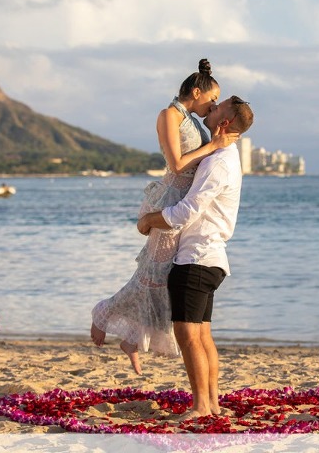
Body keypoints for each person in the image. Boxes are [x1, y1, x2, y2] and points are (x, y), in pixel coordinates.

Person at [90, 59, 239, 375]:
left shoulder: (194, 121)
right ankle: (104, 313)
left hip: (182, 202)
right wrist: (213, 145)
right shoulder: (168, 115)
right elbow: (177, 164)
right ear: (195, 92)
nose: (212, 106)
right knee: (155, 273)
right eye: (210, 100)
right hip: (171, 198)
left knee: (161, 277)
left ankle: (133, 339)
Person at [137, 96, 254, 420]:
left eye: (217, 108)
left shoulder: (219, 162)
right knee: (201, 335)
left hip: (197, 259)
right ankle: (212, 404)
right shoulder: (223, 156)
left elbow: (187, 211)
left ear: (224, 123)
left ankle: (202, 405)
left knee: (189, 336)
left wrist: (149, 219)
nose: (211, 109)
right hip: (209, 258)